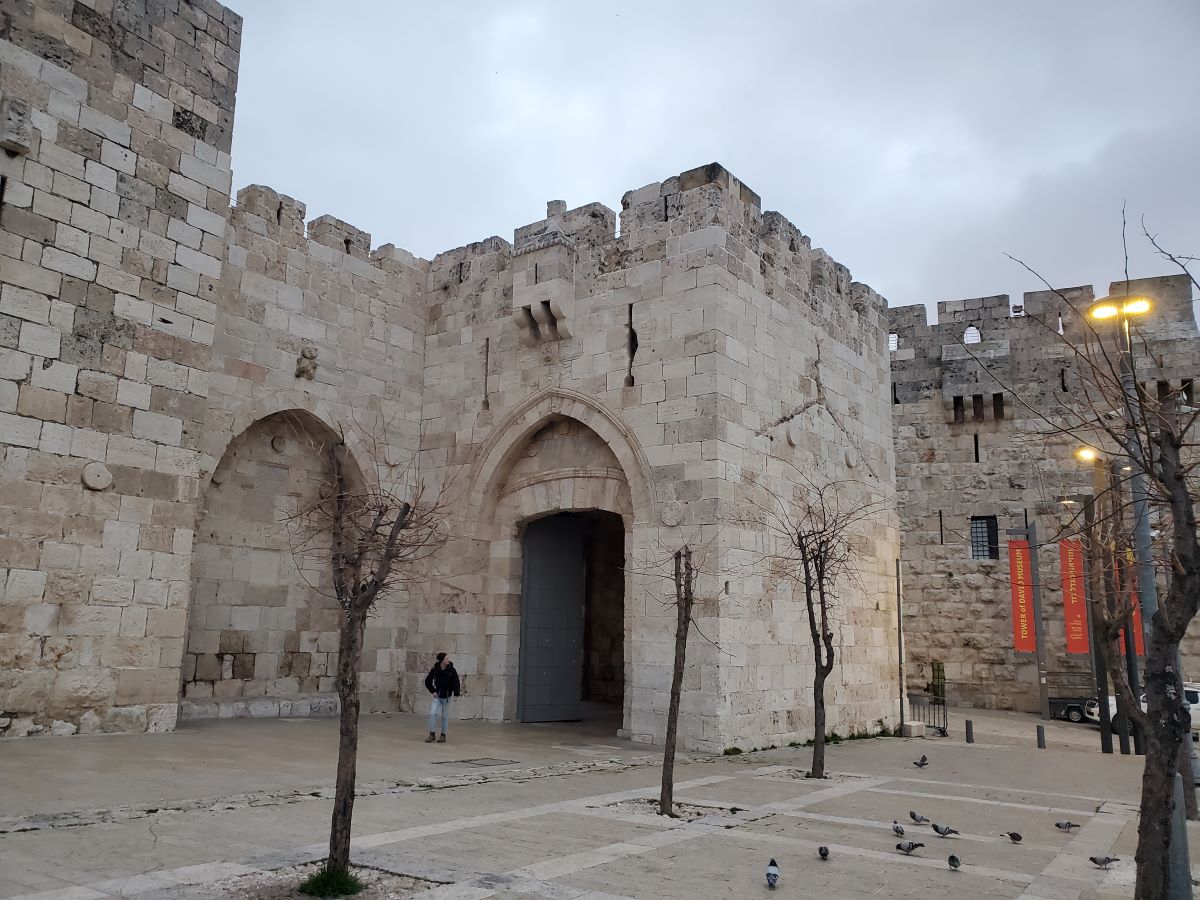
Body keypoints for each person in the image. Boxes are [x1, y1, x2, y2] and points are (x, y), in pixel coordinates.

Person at [423, 652, 459, 743]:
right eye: (446, 659)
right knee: (432, 713)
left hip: (447, 696)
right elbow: (428, 681)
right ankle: (432, 734)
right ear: (442, 660)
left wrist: (456, 694)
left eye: (448, 658)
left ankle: (443, 735)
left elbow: (456, 682)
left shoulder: (451, 670)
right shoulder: (435, 670)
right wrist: (433, 691)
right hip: (438, 696)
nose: (448, 660)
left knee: (444, 716)